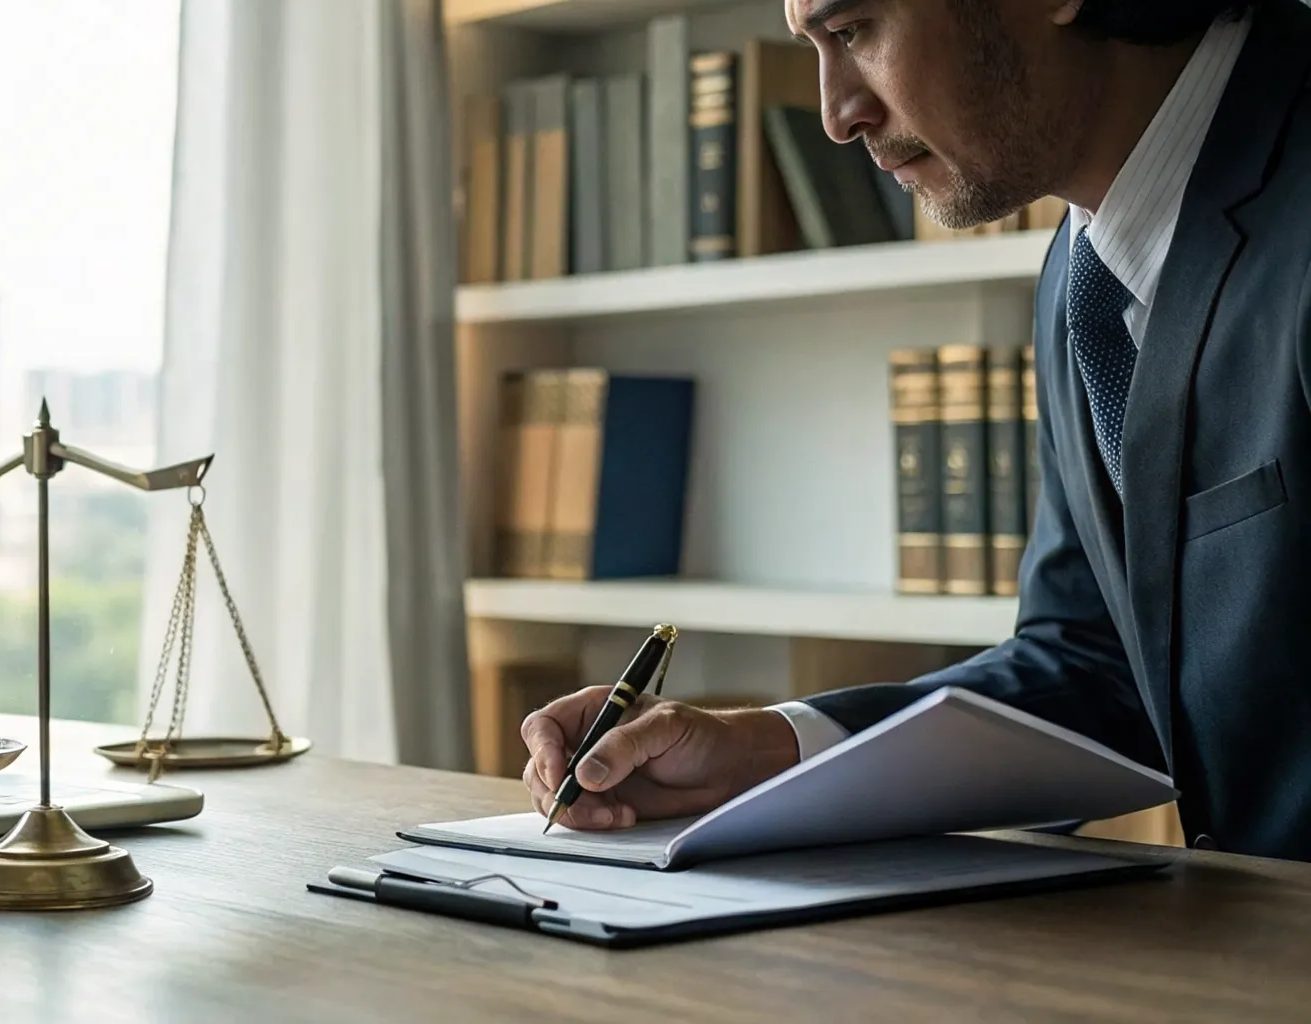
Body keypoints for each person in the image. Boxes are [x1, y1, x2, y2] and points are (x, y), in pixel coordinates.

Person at [522, 0, 1311, 859]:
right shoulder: (1082, 272)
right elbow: (1101, 664)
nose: (834, 114)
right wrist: (765, 752)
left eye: (854, 29)